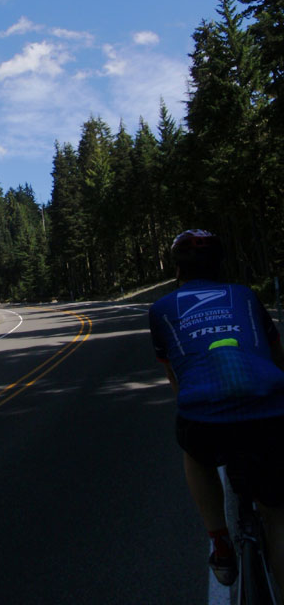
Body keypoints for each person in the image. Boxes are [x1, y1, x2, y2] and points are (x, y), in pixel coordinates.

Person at [149, 229, 284, 592]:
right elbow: (276, 353)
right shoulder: (245, 295)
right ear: (220, 266)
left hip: (204, 418)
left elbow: (175, 377)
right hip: (269, 408)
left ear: (177, 270)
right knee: (276, 514)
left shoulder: (161, 309)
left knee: (195, 453)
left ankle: (221, 546)